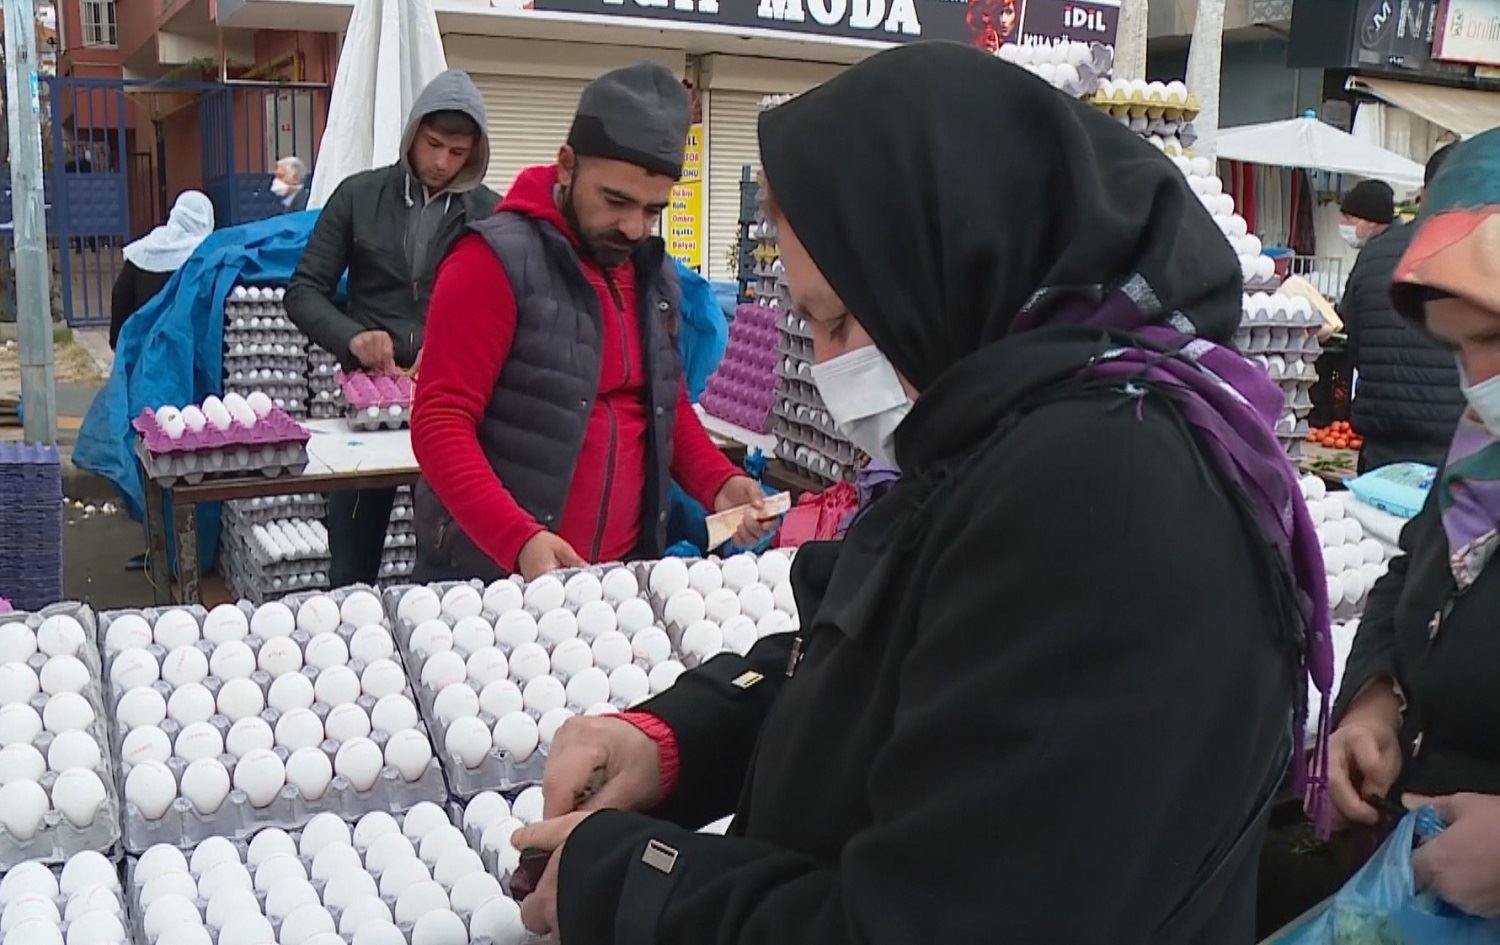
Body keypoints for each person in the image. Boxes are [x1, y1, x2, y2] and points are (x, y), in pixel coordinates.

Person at [504, 43, 1331, 943]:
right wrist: (675, 742)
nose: (827, 365)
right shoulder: (997, 430)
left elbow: (925, 920)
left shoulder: (1100, 496)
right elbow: (881, 666)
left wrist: (626, 877)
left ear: (950, 266)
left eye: (839, 320)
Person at [411, 62, 769, 582]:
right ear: (566, 166)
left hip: (618, 578)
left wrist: (718, 481)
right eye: (615, 201)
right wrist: (518, 538)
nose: (633, 227)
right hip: (492, 579)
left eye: (652, 210)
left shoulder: (651, 273)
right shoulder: (490, 263)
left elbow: (664, 406)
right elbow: (439, 423)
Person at [1326, 128, 1500, 919]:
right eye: (1457, 347)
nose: (1478, 379)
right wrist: (1377, 699)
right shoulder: (1478, 455)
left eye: (1494, 335)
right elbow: (1411, 576)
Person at [286, 69, 499, 588]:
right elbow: (303, 291)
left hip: (452, 406)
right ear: (412, 133)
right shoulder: (358, 196)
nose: (442, 162)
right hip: (366, 409)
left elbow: (507, 307)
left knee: (449, 565)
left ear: (475, 153)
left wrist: (455, 346)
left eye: (457, 152)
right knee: (352, 563)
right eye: (433, 145)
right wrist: (351, 337)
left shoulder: (491, 214)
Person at [1339, 154, 1465, 473]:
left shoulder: (1374, 252)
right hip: (1455, 447)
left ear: (1424, 193)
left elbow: (1354, 339)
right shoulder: (1481, 255)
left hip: (1381, 443)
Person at [110, 190, 215, 350]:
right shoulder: (206, 254)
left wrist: (117, 342)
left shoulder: (145, 249)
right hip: (186, 348)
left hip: (144, 343)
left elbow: (120, 294)